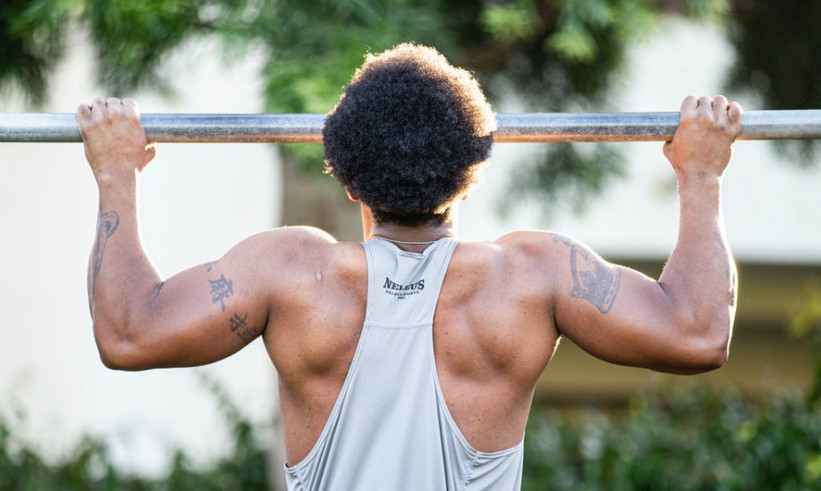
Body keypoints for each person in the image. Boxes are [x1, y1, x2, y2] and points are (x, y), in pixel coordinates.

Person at [77, 43, 741, 490]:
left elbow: (129, 330)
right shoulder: (529, 278)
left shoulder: (289, 272)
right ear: (469, 173)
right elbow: (696, 332)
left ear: (347, 178)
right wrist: (700, 174)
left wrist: (115, 173)